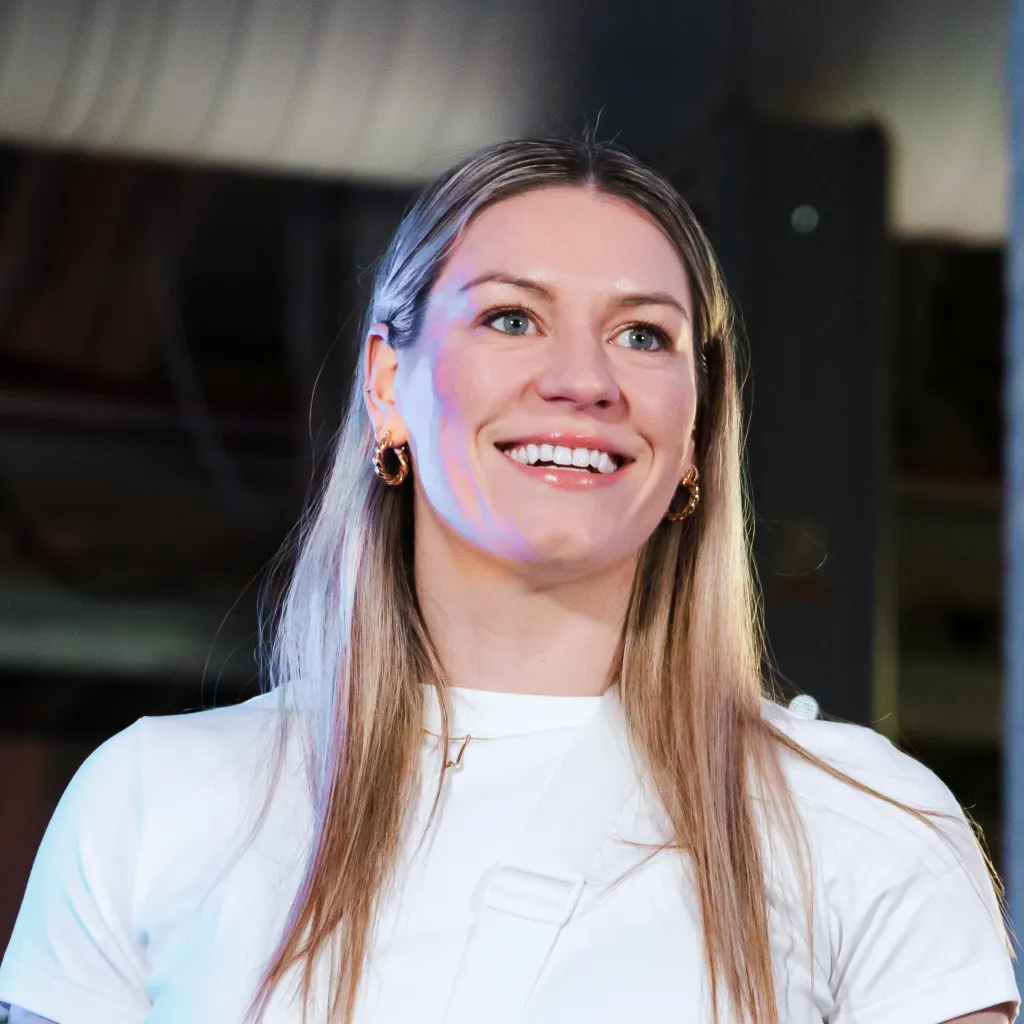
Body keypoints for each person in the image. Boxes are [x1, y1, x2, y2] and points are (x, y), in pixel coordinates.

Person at [0, 136, 1018, 1024]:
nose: (584, 378)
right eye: (512, 319)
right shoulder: (153, 799)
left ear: (696, 432)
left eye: (642, 334)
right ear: (387, 383)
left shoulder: (857, 818)